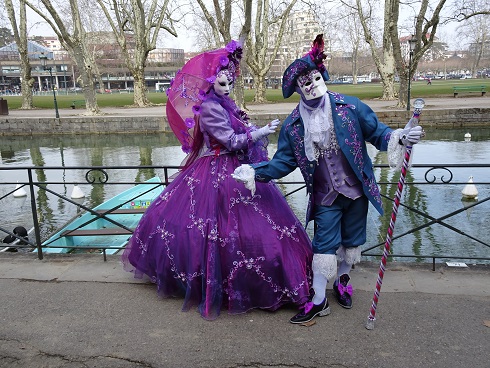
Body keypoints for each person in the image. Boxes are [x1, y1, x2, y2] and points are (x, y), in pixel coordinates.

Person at [233, 34, 423, 324]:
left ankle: (343, 280)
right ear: (298, 88)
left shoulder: (350, 107)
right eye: (304, 82)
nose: (311, 84)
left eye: (314, 77)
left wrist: (401, 136)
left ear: (321, 75)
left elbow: (379, 133)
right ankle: (319, 299)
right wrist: (254, 171)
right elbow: (282, 163)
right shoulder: (294, 126)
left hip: (357, 191)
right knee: (324, 244)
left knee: (352, 240)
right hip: (324, 196)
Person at [121, 40, 313, 320]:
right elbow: (231, 142)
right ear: (211, 83)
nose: (227, 88)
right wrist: (257, 133)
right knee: (215, 227)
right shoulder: (210, 108)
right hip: (218, 169)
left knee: (256, 224)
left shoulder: (225, 103)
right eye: (222, 84)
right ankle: (215, 282)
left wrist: (245, 121)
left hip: (236, 168)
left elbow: (236, 129)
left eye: (230, 83)